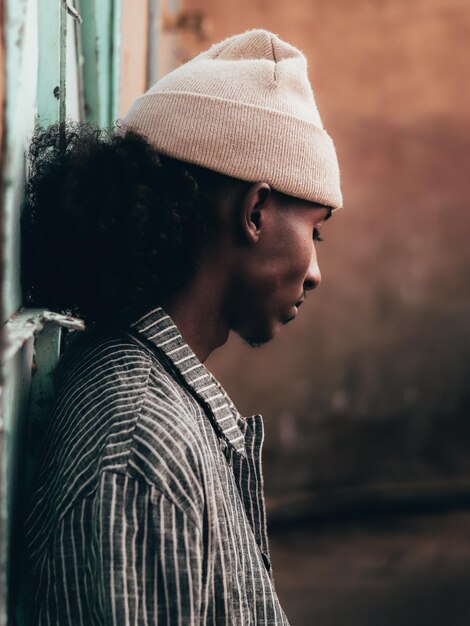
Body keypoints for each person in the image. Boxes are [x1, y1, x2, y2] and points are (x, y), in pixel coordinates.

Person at [23, 29, 342, 625]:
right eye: (316, 231)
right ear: (255, 213)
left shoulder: (136, 387)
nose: (317, 273)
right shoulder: (144, 447)